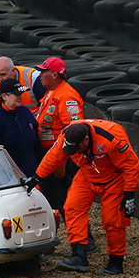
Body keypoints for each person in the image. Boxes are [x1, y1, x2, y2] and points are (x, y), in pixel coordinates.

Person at [25, 120, 139, 275]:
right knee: (72, 207)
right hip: (87, 175)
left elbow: (131, 164)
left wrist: (129, 194)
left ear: (86, 140)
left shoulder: (112, 139)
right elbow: (53, 157)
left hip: (115, 180)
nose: (73, 151)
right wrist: (37, 178)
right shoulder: (68, 135)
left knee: (113, 221)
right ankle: (79, 257)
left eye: (76, 148)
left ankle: (115, 263)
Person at [34, 57, 97, 253]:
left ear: (54, 74)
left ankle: (85, 242)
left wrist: (62, 159)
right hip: (53, 155)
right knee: (53, 199)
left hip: (63, 157)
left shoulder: (68, 95)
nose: (40, 74)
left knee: (66, 200)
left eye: (44, 71)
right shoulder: (51, 91)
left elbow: (73, 130)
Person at [0, 79, 42, 177]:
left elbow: (36, 145)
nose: (20, 97)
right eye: (16, 94)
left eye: (21, 94)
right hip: (8, 179)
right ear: (4, 97)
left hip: (32, 175)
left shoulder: (26, 113)